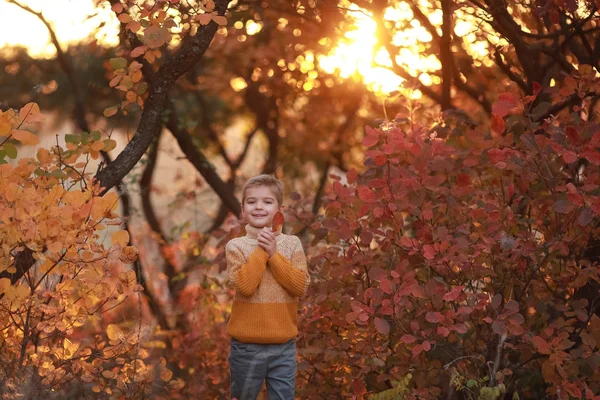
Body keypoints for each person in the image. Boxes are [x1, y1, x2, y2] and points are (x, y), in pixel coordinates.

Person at [226, 174, 310, 400]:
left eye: (267, 201)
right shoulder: (236, 246)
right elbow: (245, 285)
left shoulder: (292, 244)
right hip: (246, 348)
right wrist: (263, 249)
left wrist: (274, 254)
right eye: (251, 202)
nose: (259, 207)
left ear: (279, 209)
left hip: (283, 347)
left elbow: (299, 286)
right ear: (243, 209)